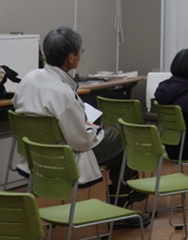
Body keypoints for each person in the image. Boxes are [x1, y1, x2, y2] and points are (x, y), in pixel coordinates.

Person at [12, 27, 146, 217]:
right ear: (71, 58)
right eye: (80, 52)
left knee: (117, 144)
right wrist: (94, 130)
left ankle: (127, 193)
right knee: (121, 135)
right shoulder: (63, 92)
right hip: (65, 158)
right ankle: (122, 201)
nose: (80, 56)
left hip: (36, 155)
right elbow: (81, 141)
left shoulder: (29, 79)